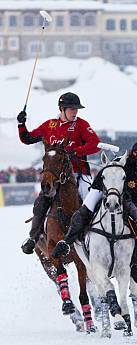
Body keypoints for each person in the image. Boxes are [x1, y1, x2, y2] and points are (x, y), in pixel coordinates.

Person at [52, 141, 137, 285]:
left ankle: (134, 263)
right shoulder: (123, 165)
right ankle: (66, 243)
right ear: (135, 159)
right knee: (83, 213)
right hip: (103, 189)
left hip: (127, 196)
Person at [18, 92, 101, 255]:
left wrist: (76, 151)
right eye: (72, 109)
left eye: (77, 109)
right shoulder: (49, 126)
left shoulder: (82, 125)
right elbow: (27, 138)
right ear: (62, 109)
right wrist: (21, 124)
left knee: (91, 201)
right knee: (41, 202)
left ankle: (95, 239)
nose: (75, 112)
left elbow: (95, 144)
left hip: (78, 174)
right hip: (55, 177)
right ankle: (33, 238)